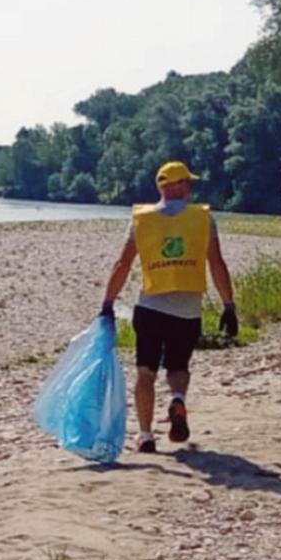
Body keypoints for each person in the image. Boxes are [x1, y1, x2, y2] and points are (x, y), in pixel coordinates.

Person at [100, 161, 237, 453]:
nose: (190, 187)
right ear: (176, 186)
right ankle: (177, 398)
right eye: (187, 182)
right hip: (187, 309)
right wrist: (229, 305)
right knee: (178, 365)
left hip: (150, 305)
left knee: (145, 371)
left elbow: (123, 263)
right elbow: (216, 263)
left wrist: (108, 302)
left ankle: (146, 435)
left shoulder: (142, 219)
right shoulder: (203, 219)